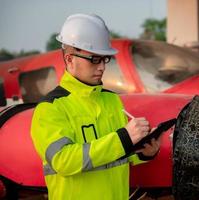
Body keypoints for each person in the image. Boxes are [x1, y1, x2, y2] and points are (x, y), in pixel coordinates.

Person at [31, 13, 160, 200]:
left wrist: (142, 153)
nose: (102, 67)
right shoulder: (50, 108)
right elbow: (63, 161)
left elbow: (116, 156)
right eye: (94, 59)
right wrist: (123, 138)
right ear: (69, 59)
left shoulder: (112, 100)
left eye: (105, 59)